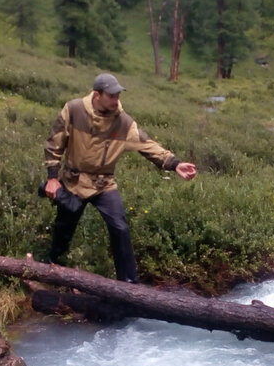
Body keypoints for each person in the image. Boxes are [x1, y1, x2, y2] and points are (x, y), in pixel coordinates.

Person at [42, 73, 197, 283]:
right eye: (112, 96)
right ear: (97, 95)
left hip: (104, 183)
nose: (116, 100)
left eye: (118, 95)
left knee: (120, 227)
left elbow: (147, 144)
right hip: (74, 181)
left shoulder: (123, 122)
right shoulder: (74, 109)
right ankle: (52, 270)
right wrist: (52, 178)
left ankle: (129, 284)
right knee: (64, 229)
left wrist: (175, 163)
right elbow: (54, 143)